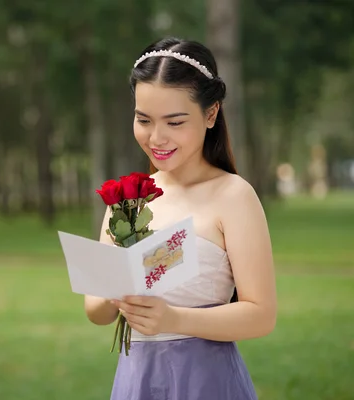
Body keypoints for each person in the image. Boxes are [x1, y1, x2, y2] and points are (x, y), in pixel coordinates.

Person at [83, 37, 277, 400]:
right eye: (144, 120)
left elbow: (261, 315)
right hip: (136, 379)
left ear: (211, 113)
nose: (157, 137)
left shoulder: (234, 196)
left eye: (174, 122)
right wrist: (115, 294)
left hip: (206, 381)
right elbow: (96, 311)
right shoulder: (127, 198)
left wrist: (175, 319)